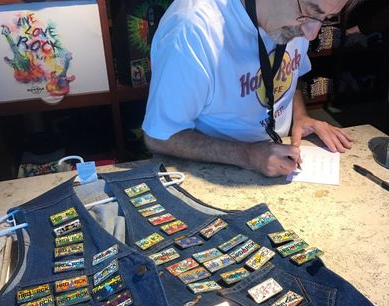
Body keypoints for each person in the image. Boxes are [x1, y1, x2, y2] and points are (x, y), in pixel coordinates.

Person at [142, 0, 357, 177]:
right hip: (213, 172)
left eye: (326, 18)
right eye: (309, 11)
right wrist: (248, 155)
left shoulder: (297, 19)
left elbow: (293, 70)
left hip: (277, 160)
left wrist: (300, 117)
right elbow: (159, 137)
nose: (311, 34)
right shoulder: (191, 28)